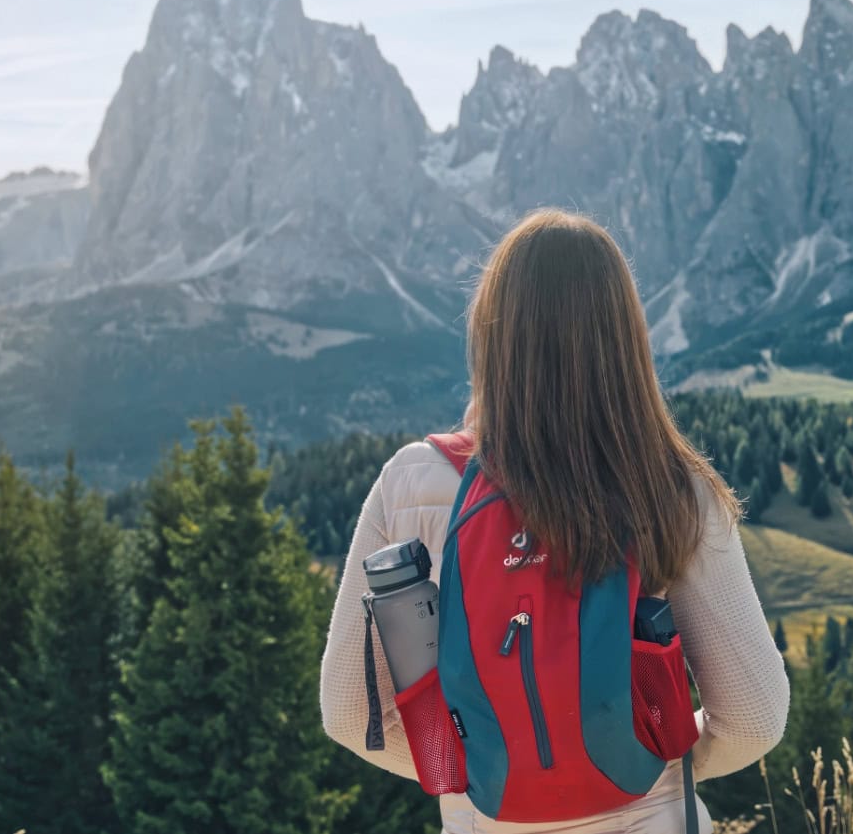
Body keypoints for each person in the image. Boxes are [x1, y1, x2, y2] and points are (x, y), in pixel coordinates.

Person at [321, 208, 789, 833]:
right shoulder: (670, 486)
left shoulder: (410, 483)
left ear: (493, 333)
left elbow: (351, 713)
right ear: (623, 337)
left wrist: (481, 770)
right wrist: (645, 761)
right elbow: (755, 718)